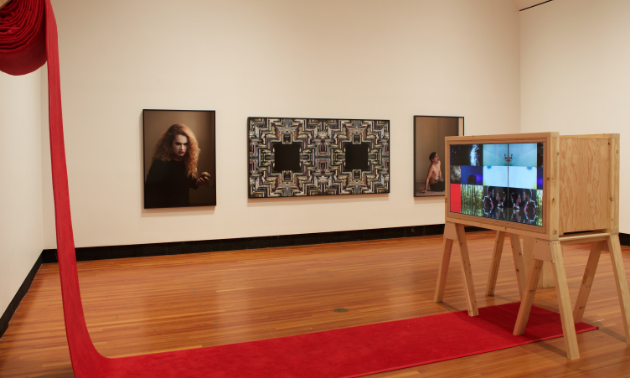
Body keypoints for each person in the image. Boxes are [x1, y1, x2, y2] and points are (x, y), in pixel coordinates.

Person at [144, 124, 210, 208]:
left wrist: (198, 182)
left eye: (185, 144)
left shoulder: (186, 161)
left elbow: (184, 183)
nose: (182, 148)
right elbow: (149, 192)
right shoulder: (160, 163)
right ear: (169, 144)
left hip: (184, 210)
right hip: (165, 211)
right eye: (178, 144)